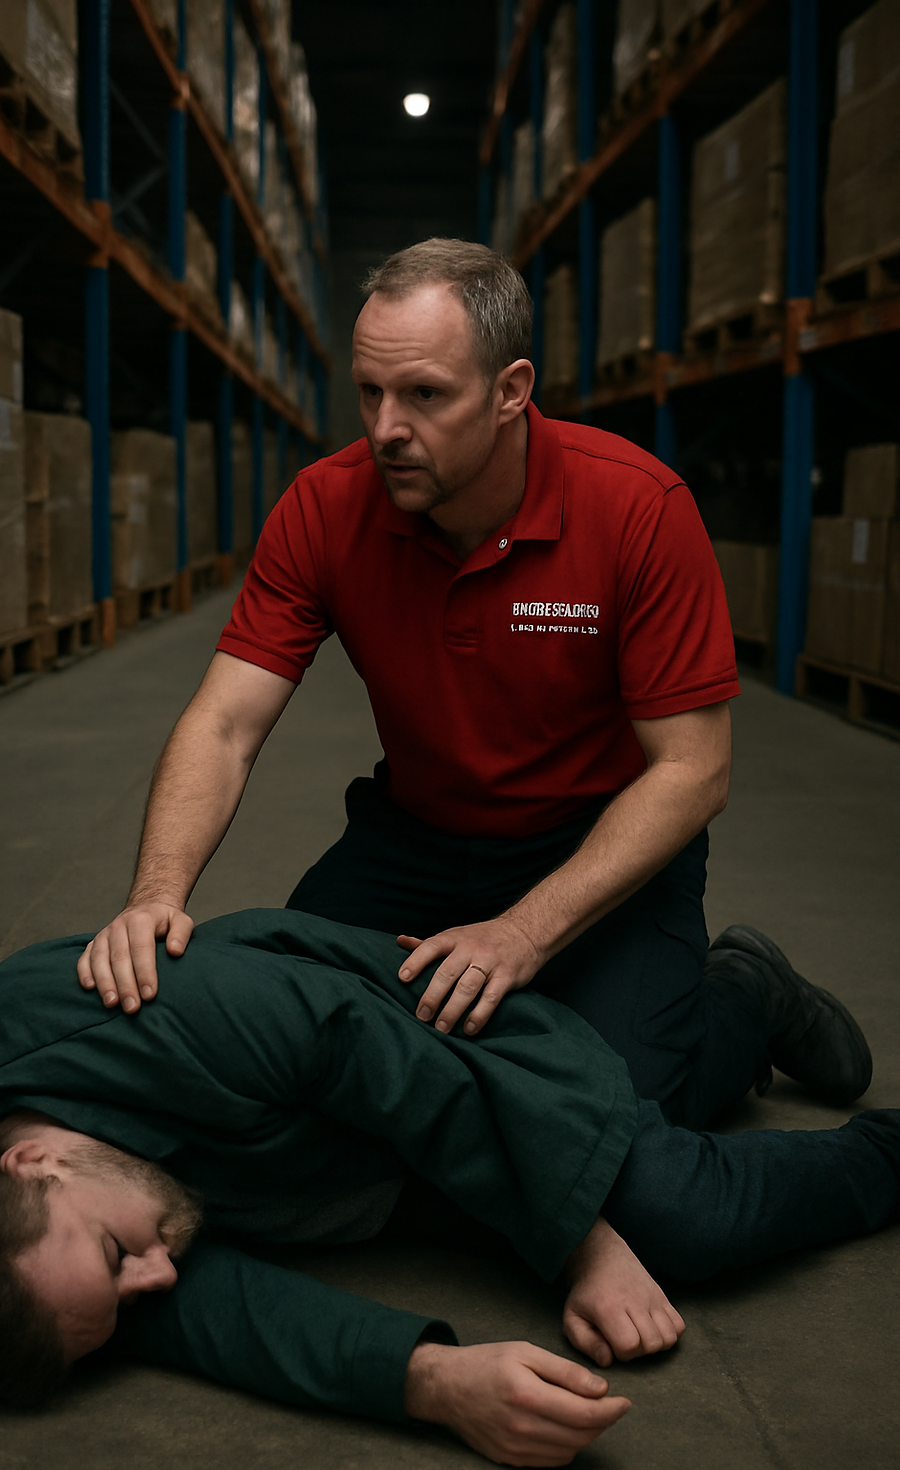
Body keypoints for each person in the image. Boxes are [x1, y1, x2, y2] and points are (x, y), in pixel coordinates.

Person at [73, 238, 870, 1126]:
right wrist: (155, 897)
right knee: (281, 1035)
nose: (384, 430)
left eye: (424, 395)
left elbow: (693, 770)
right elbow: (225, 722)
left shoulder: (637, 510)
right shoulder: (324, 506)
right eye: (370, 392)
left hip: (594, 839)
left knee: (624, 1107)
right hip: (418, 834)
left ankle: (749, 994)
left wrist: (522, 932)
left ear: (510, 390)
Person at [0, 909, 896, 1467]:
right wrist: (431, 1383)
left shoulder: (172, 1015)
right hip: (331, 1166)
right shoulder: (8, 1232)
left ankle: (829, 1097)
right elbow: (213, 1313)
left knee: (672, 1212)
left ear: (33, 1161)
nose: (158, 1281)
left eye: (118, 1259)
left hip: (444, 1054)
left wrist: (584, 1247)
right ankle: (737, 997)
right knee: (649, 1088)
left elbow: (423, 1092)